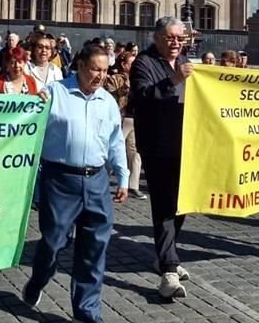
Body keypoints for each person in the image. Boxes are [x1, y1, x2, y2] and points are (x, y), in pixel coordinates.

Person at [21, 44, 128, 323]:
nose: (100, 76)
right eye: (95, 69)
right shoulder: (56, 92)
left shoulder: (107, 101)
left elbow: (116, 142)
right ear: (79, 66)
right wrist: (34, 102)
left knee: (94, 249)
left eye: (105, 71)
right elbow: (26, 120)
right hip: (59, 180)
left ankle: (87, 311)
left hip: (97, 181)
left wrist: (124, 177)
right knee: (53, 243)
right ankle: (39, 279)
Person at [130, 17, 193, 299]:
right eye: (170, 38)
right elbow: (143, 97)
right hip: (157, 145)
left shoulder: (186, 60)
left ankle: (164, 254)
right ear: (157, 38)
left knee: (182, 204)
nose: (176, 43)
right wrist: (174, 80)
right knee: (164, 205)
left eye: (180, 38)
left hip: (185, 144)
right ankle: (168, 268)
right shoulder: (143, 62)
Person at [105, 50, 145, 200]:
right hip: (120, 117)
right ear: (123, 64)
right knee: (115, 148)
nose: (135, 66)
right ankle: (104, 179)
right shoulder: (115, 78)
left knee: (135, 152)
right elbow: (109, 92)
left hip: (134, 117)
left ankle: (133, 185)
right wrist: (124, 89)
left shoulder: (140, 77)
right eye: (131, 63)